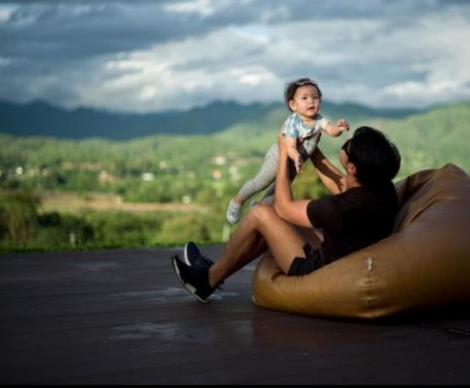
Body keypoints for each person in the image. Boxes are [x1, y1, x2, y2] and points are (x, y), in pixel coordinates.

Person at [171, 125, 402, 303]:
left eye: (349, 145)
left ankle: (206, 280)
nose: (346, 143)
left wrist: (284, 152)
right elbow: (340, 182)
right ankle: (217, 268)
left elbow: (284, 207)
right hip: (343, 255)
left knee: (263, 212)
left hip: (319, 269)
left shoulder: (341, 208)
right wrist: (311, 146)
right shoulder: (381, 190)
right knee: (271, 221)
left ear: (352, 168)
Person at [225, 77, 350, 224]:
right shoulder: (293, 122)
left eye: (315, 97)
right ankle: (237, 201)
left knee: (278, 190)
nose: (311, 101)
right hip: (279, 157)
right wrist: (296, 155)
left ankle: (259, 208)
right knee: (261, 182)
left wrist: (339, 128)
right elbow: (289, 146)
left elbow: (331, 130)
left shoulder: (318, 120)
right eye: (304, 98)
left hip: (295, 163)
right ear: (293, 105)